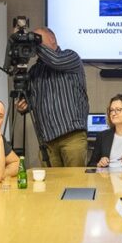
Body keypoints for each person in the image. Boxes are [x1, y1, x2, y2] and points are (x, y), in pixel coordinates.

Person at [17, 27, 89, 167]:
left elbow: (55, 61)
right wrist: (23, 106)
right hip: (47, 141)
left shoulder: (70, 56)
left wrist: (35, 43)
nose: (34, 44)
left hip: (71, 136)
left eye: (37, 39)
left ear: (52, 40)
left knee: (76, 180)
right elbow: (31, 100)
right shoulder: (34, 71)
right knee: (50, 181)